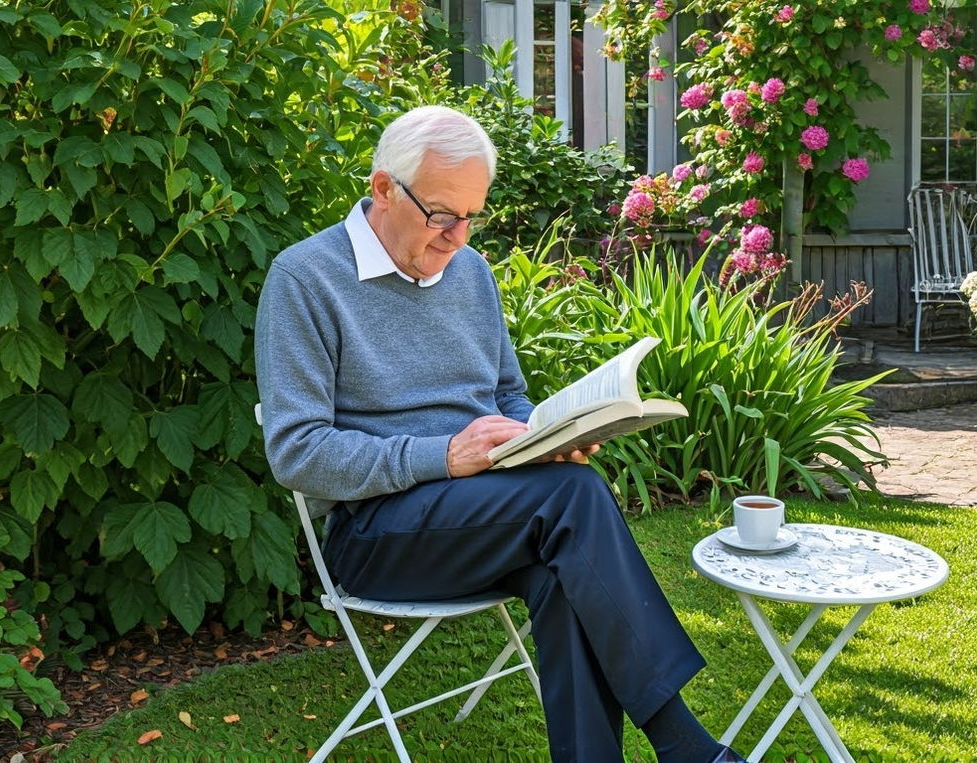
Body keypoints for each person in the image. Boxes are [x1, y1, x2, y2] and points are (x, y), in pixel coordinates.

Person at [255, 105, 747, 763]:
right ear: (382, 189)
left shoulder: (470, 273)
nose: (458, 237)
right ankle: (685, 744)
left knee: (559, 571)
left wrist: (542, 435)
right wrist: (441, 455)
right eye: (441, 215)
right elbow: (298, 451)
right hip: (371, 532)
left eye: (472, 216)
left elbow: (507, 395)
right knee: (572, 499)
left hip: (488, 514)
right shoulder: (305, 278)